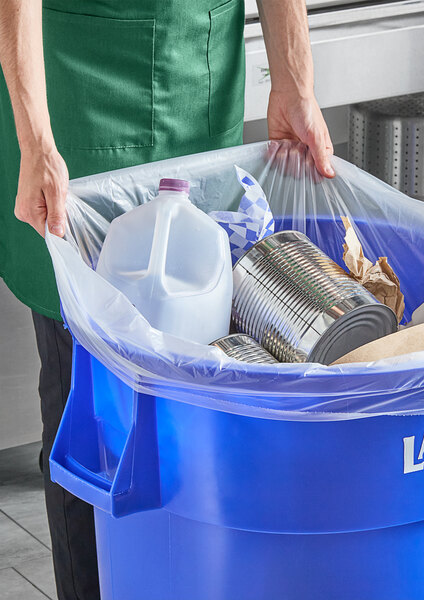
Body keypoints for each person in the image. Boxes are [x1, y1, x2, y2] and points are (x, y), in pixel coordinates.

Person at [0, 1, 334, 598]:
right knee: (89, 406)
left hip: (194, 73)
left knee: (205, 383)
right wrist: (36, 139)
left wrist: (295, 81)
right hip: (73, 90)